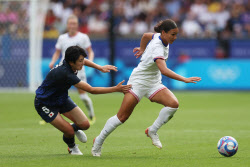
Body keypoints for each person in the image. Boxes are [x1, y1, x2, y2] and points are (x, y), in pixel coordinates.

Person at [91, 19, 201, 157]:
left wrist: (142, 48)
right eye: (172, 34)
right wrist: (184, 79)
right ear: (164, 33)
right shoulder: (157, 47)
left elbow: (145, 35)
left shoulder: (159, 37)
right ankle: (98, 142)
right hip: (138, 82)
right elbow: (164, 70)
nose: (175, 37)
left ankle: (152, 131)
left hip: (153, 82)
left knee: (173, 104)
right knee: (122, 117)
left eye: (176, 34)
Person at [35, 46, 131, 155]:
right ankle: (72, 147)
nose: (82, 63)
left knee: (85, 125)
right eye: (80, 61)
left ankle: (70, 128)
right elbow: (91, 90)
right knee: (69, 132)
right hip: (45, 103)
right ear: (71, 62)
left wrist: (100, 67)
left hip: (61, 98)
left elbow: (84, 60)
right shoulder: (66, 73)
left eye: (82, 60)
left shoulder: (70, 62)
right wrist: (115, 89)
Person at [49, 14, 96, 124]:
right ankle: (49, 115)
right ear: (67, 25)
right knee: (54, 92)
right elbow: (57, 52)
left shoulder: (83, 37)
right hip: (63, 70)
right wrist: (52, 61)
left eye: (74, 23)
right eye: (70, 23)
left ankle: (91, 115)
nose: (72, 26)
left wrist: (91, 60)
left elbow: (90, 51)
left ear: (77, 25)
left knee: (83, 96)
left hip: (78, 70)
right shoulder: (62, 38)